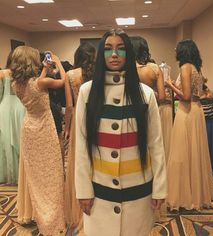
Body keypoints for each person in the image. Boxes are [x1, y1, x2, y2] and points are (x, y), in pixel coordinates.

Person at [74, 29, 167, 236]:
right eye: (108, 49)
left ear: (129, 54)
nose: (114, 54)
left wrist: (159, 187)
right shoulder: (87, 93)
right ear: (101, 54)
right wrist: (83, 190)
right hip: (100, 192)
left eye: (120, 49)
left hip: (139, 192)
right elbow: (81, 144)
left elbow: (156, 144)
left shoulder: (146, 95)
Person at [10, 46, 66, 235]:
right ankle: (50, 215)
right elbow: (63, 81)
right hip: (44, 127)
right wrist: (57, 62)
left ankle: (35, 210)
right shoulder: (41, 83)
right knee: (52, 171)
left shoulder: (15, 85)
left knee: (34, 172)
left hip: (28, 127)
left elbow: (35, 85)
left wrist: (44, 69)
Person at [165, 39, 213, 210]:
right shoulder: (196, 68)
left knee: (181, 154)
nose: (175, 50)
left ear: (183, 51)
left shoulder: (185, 67)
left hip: (186, 112)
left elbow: (185, 96)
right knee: (194, 153)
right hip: (197, 110)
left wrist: (170, 85)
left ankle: (184, 196)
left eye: (177, 48)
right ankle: (197, 194)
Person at [64, 42, 96, 230]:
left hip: (78, 118)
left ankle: (79, 205)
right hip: (96, 117)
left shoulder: (70, 75)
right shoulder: (98, 73)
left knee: (79, 161)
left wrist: (67, 128)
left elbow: (69, 106)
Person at [0, 51, 25, 184]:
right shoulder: (24, 74)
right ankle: (23, 174)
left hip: (5, 107)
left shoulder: (2, 73)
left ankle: (10, 174)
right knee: (20, 138)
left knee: (6, 141)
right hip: (21, 107)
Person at [131, 36, 165, 102]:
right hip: (150, 107)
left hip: (131, 108)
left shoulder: (125, 68)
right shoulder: (154, 68)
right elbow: (162, 97)